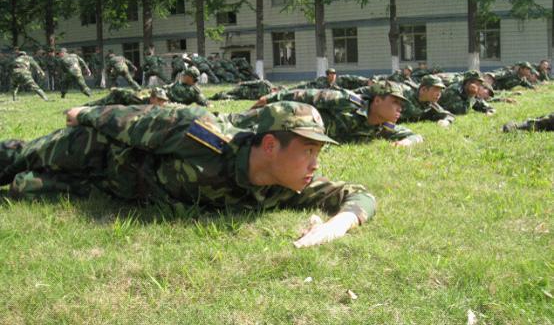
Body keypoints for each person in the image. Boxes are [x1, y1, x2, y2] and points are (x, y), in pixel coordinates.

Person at [0, 101, 376, 248]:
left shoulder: (286, 184)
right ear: (271, 146)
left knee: (23, 189)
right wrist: (84, 114)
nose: (315, 165)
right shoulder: (204, 136)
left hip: (110, 188)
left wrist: (336, 225)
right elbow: (134, 122)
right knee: (20, 156)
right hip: (97, 150)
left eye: (318, 153)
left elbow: (358, 195)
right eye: (308, 151)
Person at [250, 81, 423, 146]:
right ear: (377, 100)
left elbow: (416, 136)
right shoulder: (346, 101)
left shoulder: (382, 126)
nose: (400, 109)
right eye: (395, 102)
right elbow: (307, 95)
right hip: (288, 118)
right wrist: (269, 99)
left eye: (401, 105)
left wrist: (406, 143)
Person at [84, 87, 169, 107]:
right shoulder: (140, 100)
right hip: (116, 97)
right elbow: (124, 93)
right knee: (96, 105)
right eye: (160, 100)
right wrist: (115, 90)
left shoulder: (151, 104)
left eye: (164, 100)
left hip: (124, 101)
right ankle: (83, 106)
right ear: (152, 98)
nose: (162, 103)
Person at [210, 79, 280, 101]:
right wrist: (243, 83)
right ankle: (214, 96)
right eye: (276, 91)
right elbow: (253, 83)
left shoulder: (269, 96)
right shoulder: (265, 83)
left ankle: (218, 97)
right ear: (276, 88)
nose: (275, 93)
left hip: (245, 96)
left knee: (229, 97)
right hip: (243, 90)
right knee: (229, 92)